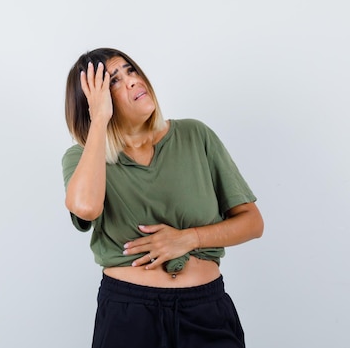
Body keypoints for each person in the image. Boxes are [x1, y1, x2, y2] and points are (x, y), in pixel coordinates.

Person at [61, 47, 264, 348]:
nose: (132, 81)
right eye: (113, 81)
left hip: (206, 312)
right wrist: (100, 120)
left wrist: (189, 238)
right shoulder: (82, 158)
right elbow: (87, 208)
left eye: (131, 70)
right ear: (93, 101)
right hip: (130, 316)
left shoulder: (196, 136)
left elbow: (253, 223)